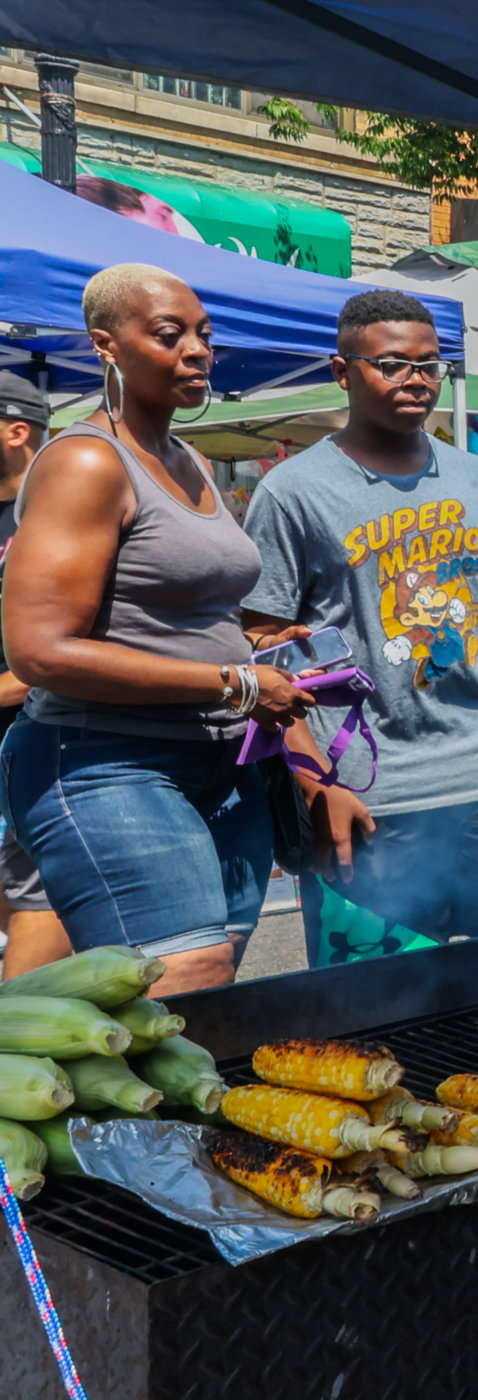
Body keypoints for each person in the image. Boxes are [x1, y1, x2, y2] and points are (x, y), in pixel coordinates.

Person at [1, 265, 314, 994]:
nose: (198, 350)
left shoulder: (190, 460)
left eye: (204, 334)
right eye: (170, 334)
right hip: (106, 759)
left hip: (222, 762)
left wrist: (258, 645)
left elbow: (177, 611)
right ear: (106, 344)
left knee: (212, 987)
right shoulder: (86, 461)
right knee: (183, 977)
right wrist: (237, 683)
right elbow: (40, 652)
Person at [241, 290, 478, 970]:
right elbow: (263, 654)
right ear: (343, 371)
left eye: (430, 365)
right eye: (392, 364)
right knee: (376, 1007)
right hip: (368, 802)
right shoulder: (292, 491)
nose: (416, 379)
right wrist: (314, 786)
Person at [0, 371, 66, 980]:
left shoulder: (59, 508)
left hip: (41, 747)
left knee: (38, 902)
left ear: (16, 431)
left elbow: (68, 647)